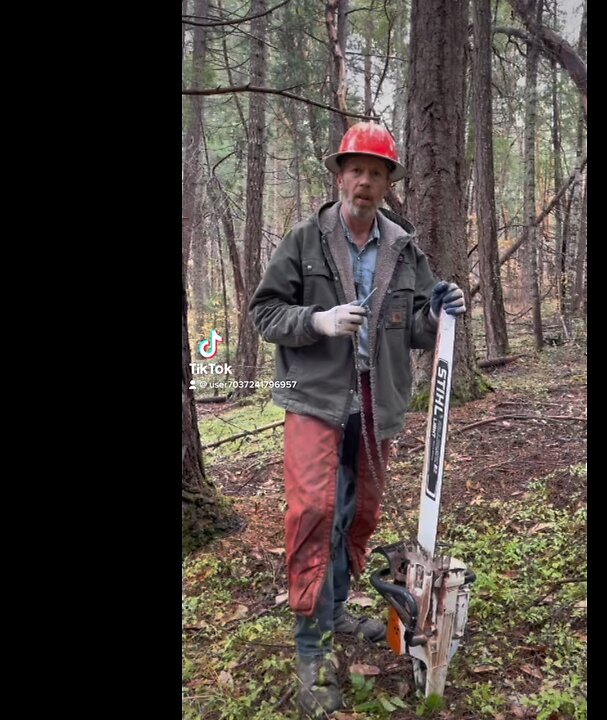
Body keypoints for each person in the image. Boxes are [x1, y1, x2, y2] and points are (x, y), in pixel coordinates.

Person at [248, 122, 466, 717]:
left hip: (376, 404)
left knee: (359, 514)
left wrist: (442, 310)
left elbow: (418, 328)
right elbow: (263, 313)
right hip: (314, 397)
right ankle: (311, 646)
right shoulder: (304, 239)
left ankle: (338, 607)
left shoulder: (404, 248)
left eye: (376, 173)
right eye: (356, 170)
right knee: (313, 510)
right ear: (339, 175)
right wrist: (315, 322)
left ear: (388, 182)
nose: (364, 182)